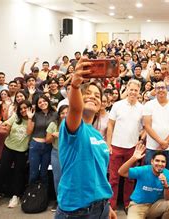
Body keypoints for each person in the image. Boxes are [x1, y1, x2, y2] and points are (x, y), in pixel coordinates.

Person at [55, 57, 116, 218]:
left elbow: (99, 173)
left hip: (100, 207)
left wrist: (106, 204)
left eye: (97, 95)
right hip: (77, 212)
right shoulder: (73, 127)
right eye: (87, 93)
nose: (93, 96)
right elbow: (75, 110)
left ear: (101, 105)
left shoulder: (97, 134)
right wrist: (75, 85)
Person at [106, 79, 144, 211]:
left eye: (136, 90)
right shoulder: (117, 105)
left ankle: (128, 204)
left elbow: (145, 127)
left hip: (132, 148)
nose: (133, 92)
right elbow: (110, 125)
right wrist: (108, 144)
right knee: (114, 178)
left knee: (130, 179)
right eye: (131, 89)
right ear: (127, 89)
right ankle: (112, 205)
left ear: (139, 91)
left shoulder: (142, 108)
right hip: (116, 146)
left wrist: (141, 139)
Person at [0, 100, 32, 209]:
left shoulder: (33, 119)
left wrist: (30, 118)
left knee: (19, 173)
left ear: (29, 108)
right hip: (8, 147)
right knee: (3, 170)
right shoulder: (15, 117)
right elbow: (6, 125)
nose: (23, 110)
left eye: (25, 108)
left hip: (22, 150)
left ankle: (16, 196)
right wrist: (2, 127)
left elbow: (28, 132)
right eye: (21, 108)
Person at [118, 145, 169, 219]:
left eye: (163, 162)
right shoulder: (143, 170)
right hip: (138, 205)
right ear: (152, 161)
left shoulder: (168, 174)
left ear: (165, 164)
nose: (160, 164)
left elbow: (168, 198)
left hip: (154, 206)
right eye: (157, 161)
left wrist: (165, 185)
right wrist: (133, 158)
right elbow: (121, 172)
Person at [143, 81, 169, 172]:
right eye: (158, 88)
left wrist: (166, 142)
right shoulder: (148, 105)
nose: (160, 90)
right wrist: (161, 142)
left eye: (163, 87)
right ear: (154, 91)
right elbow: (147, 126)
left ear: (167, 89)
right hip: (152, 147)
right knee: (150, 174)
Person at [26, 95, 57, 184]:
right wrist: (29, 118)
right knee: (33, 173)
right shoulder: (35, 114)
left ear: (48, 101)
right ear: (37, 105)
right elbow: (28, 132)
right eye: (39, 102)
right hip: (35, 145)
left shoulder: (55, 114)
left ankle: (43, 196)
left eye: (44, 101)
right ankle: (31, 195)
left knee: (44, 173)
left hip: (48, 146)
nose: (42, 103)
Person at [46, 105, 69, 212]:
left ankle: (69, 201)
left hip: (70, 154)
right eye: (62, 113)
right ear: (59, 115)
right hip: (56, 153)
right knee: (58, 178)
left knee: (70, 178)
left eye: (67, 113)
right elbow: (47, 140)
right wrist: (53, 135)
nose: (65, 115)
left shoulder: (74, 125)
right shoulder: (53, 124)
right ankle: (60, 201)